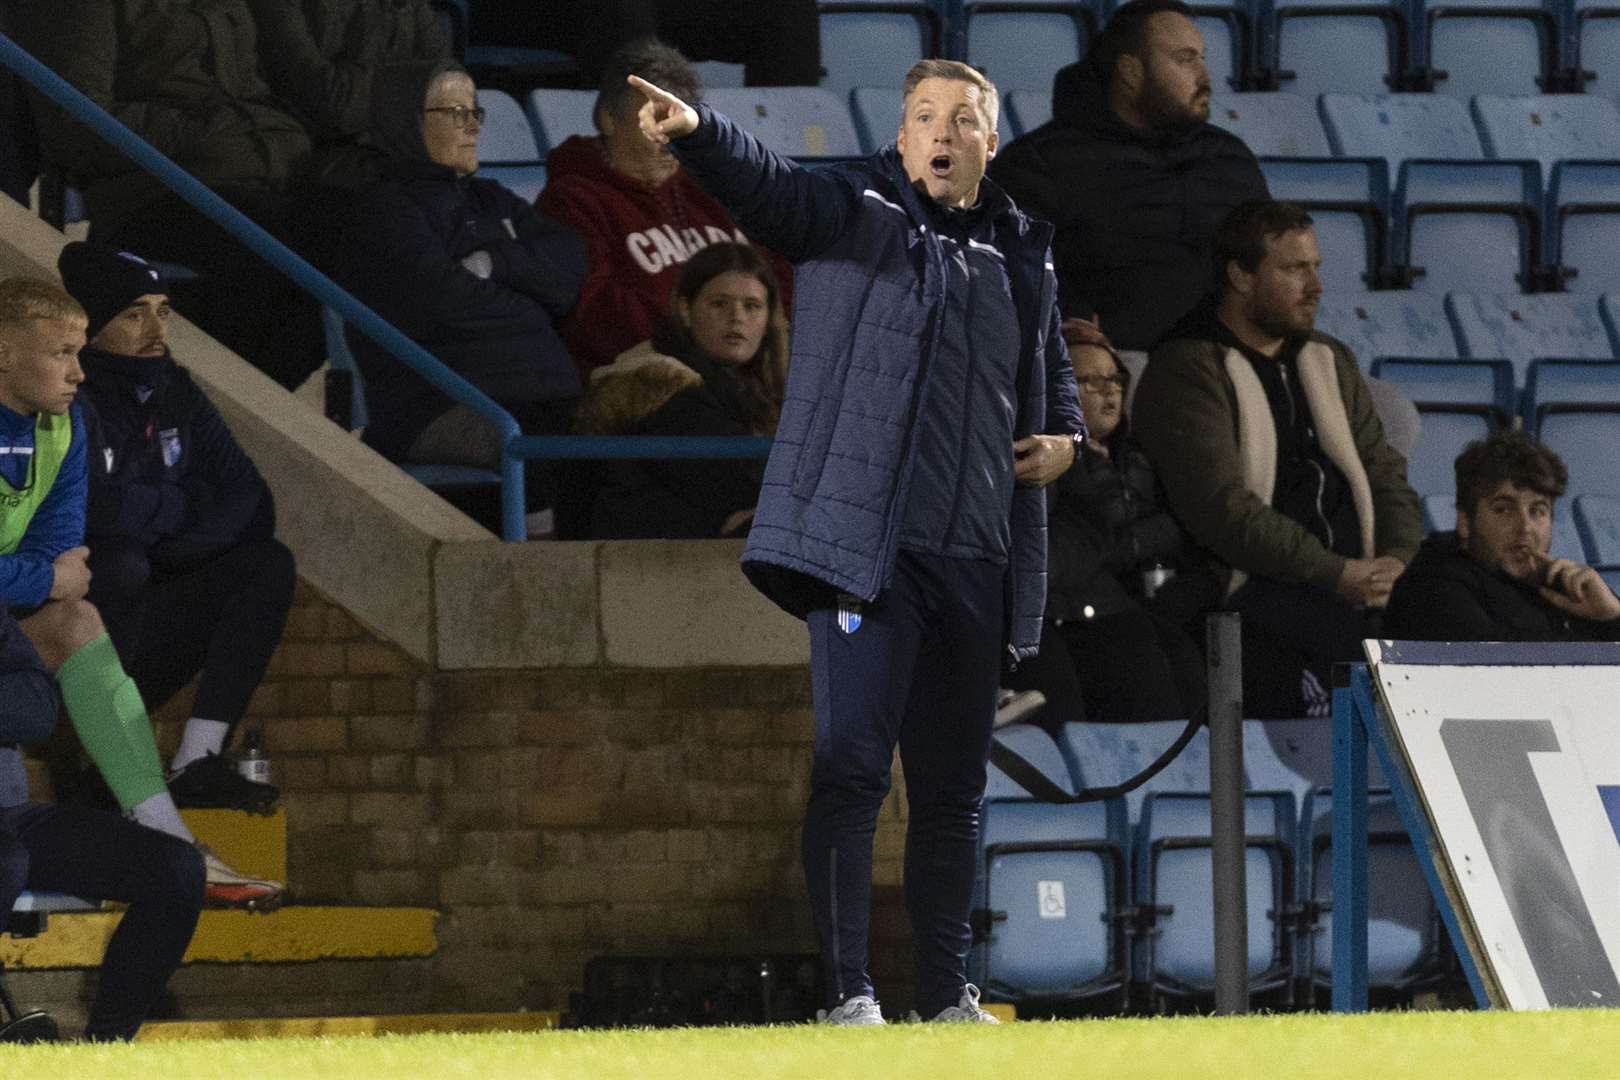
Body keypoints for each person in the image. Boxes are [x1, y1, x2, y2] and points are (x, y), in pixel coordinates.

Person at [631, 57, 1083, 1024]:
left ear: (988, 142)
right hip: (864, 550)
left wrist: (1066, 442)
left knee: (955, 793)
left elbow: (1053, 372)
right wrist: (700, 132)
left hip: (977, 552)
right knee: (851, 770)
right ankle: (848, 997)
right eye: (924, 115)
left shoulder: (1022, 247)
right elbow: (768, 183)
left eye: (962, 119)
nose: (942, 132)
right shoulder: (852, 208)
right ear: (903, 132)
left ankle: (948, 997)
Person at [0, 276, 281, 909]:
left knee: (78, 619)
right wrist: (41, 578)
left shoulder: (61, 427)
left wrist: (43, 578)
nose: (78, 373)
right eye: (61, 353)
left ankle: (166, 833)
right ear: (4, 353)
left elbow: (63, 552)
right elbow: (52, 572)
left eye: (79, 351)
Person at [1134, 201, 1422, 717]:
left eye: (1316, 268)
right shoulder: (1186, 368)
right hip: (1254, 589)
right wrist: (1335, 573)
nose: (1315, 286)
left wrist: (1398, 561)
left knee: (1462, 617)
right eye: (1294, 269)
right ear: (1241, 276)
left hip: (1359, 583)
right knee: (1358, 675)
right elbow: (1221, 510)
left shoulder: (1328, 358)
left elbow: (1383, 469)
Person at [58, 242, 295, 811]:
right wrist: (181, 509)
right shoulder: (69, 392)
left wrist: (166, 536)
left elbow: (251, 499)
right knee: (120, 561)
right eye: (134, 313)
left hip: (156, 599)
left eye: (163, 310)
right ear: (92, 328)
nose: (155, 327)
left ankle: (197, 759)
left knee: (265, 562)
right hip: (78, 633)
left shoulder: (175, 389)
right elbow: (91, 511)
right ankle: (94, 757)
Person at [11, 0, 331, 391]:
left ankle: (237, 404)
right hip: (158, 194)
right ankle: (225, 404)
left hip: (267, 180)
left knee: (359, 232)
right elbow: (75, 126)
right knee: (299, 250)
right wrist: (208, 132)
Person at [334, 61, 586, 481]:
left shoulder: (491, 197)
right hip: (437, 405)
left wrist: (497, 263)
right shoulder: (383, 211)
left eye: (475, 112)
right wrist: (531, 300)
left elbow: (570, 268)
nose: (472, 127)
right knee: (553, 446)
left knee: (649, 425)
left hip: (542, 391)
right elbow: (442, 302)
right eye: (454, 113)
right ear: (407, 121)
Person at [988, 0, 1268, 352]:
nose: (1204, 77)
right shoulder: (1037, 164)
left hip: (1234, 358)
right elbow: (1009, 275)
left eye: (1202, 58)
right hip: (1114, 367)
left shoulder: (1229, 157)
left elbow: (1269, 256)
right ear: (1131, 72)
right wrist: (1074, 328)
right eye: (1184, 60)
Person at [0, 607, 205, 1042]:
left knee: (175, 869)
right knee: (7, 860)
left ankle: (104, 1049)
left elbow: (37, 708)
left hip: (12, 813)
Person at [537, 39, 792, 376]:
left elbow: (782, 278)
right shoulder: (571, 202)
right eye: (655, 117)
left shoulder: (717, 188)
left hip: (749, 371)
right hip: (650, 379)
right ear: (609, 118)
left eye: (680, 121)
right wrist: (703, 337)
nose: (670, 135)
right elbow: (595, 314)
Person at [1024, 319, 1213, 725]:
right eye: (1088, 381)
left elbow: (1179, 527)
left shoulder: (1143, 457)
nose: (1108, 391)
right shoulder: (1048, 461)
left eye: (1113, 379)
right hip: (1082, 607)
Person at [574, 242, 787, 539]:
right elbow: (739, 476)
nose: (737, 317)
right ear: (686, 311)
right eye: (719, 304)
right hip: (643, 562)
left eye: (751, 306)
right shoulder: (657, 380)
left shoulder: (763, 386)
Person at [1385, 433, 1620, 641]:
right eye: (1504, 509)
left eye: (1538, 510)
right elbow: (1499, 657)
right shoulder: (1431, 582)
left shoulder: (1560, 584)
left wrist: (1611, 616)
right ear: (1465, 522)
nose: (1525, 527)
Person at [246, 0, 452, 189]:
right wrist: (415, 90)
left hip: (398, 153)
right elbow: (323, 99)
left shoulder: (411, 5)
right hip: (315, 160)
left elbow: (451, 86)